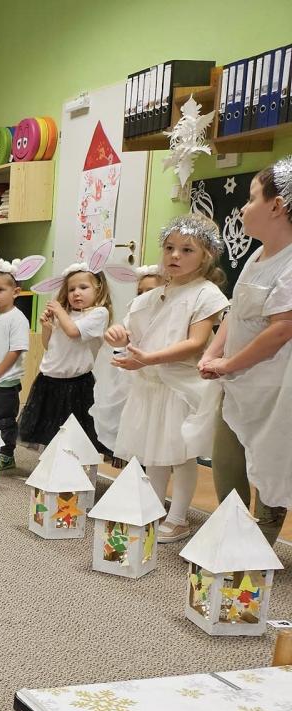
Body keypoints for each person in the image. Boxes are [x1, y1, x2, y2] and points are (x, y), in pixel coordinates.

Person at [107, 214, 228, 542]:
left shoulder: (206, 294)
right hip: (150, 386)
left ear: (206, 256)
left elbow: (196, 342)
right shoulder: (151, 296)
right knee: (154, 452)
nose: (175, 255)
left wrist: (149, 359)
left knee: (181, 456)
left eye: (187, 250)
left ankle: (178, 518)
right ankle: (153, 507)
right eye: (169, 248)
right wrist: (117, 334)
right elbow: (128, 331)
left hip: (179, 387)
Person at [199, 158, 292, 543]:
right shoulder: (256, 255)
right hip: (238, 383)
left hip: (274, 390)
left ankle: (257, 551)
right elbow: (236, 312)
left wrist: (229, 363)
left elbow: (281, 329)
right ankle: (232, 538)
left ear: (277, 206)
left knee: (269, 469)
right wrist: (213, 353)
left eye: (251, 198)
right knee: (226, 462)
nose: (243, 207)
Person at [20, 239, 136, 450]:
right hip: (49, 379)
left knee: (76, 433)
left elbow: (74, 332)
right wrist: (47, 327)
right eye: (71, 289)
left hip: (76, 384)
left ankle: (74, 463)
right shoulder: (64, 314)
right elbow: (49, 346)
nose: (76, 293)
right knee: (48, 430)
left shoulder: (98, 314)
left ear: (98, 289)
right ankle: (51, 462)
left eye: (83, 287)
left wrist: (58, 310)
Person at [0, 240, 46, 469]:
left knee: (4, 420)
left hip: (4, 382)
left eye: (0, 290)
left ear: (15, 292)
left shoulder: (17, 319)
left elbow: (15, 351)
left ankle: (6, 454)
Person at [92, 265, 165, 460]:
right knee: (130, 424)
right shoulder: (134, 315)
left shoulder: (168, 317)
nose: (143, 297)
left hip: (159, 382)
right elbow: (123, 343)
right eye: (140, 292)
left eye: (150, 291)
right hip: (132, 381)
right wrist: (117, 339)